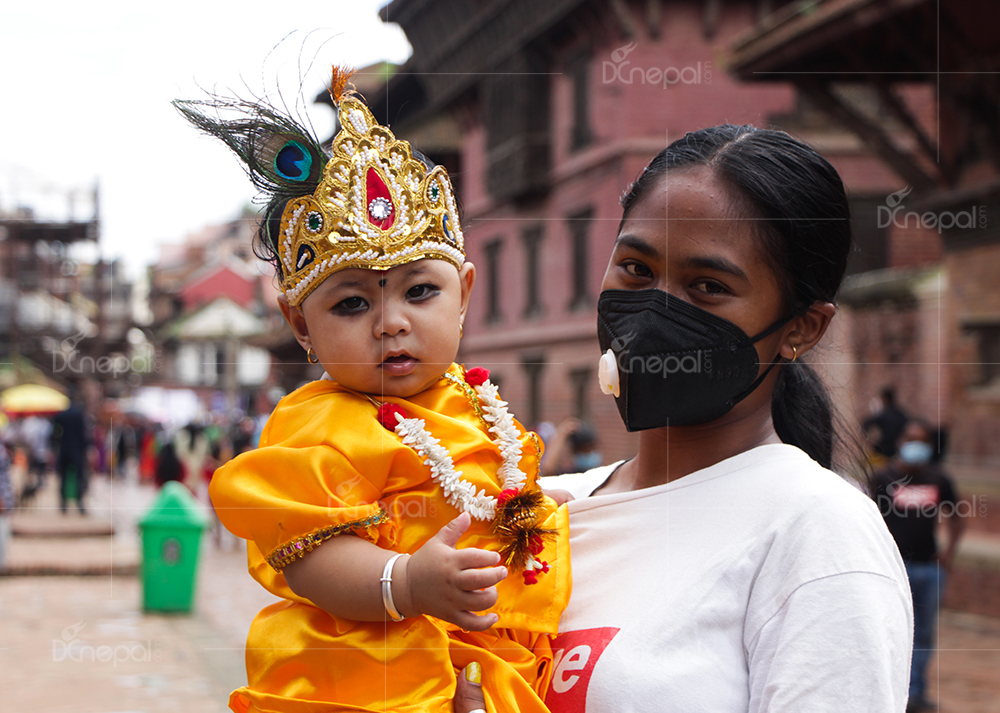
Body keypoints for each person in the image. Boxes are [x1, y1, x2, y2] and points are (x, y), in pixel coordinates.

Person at [456, 126, 913, 712]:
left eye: (708, 286)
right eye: (636, 269)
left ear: (801, 329)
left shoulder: (819, 535)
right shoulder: (542, 510)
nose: (653, 311)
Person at [178, 69, 568, 713]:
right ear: (301, 325)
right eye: (353, 303)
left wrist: (535, 508)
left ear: (464, 294)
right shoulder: (321, 424)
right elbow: (311, 555)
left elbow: (490, 488)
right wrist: (406, 582)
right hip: (384, 665)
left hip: (493, 648)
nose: (391, 323)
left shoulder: (470, 396)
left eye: (421, 291)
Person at [874, 419, 965, 712]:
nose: (916, 445)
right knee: (887, 630)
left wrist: (948, 553)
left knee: (923, 634)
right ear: (901, 442)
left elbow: (957, 516)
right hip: (891, 570)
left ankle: (915, 694)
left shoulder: (939, 479)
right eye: (911, 439)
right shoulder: (882, 478)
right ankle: (888, 694)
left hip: (928, 569)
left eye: (922, 441)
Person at [52, 390, 90, 515]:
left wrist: (55, 446)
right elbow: (84, 435)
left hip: (64, 450)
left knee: (63, 477)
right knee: (79, 477)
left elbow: (54, 434)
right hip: (77, 450)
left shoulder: (61, 415)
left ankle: (63, 504)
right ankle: (80, 504)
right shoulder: (79, 415)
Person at [865, 386, 909, 460]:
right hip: (897, 450)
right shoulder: (901, 414)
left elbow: (866, 424)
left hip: (883, 450)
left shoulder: (882, 415)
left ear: (884, 399)